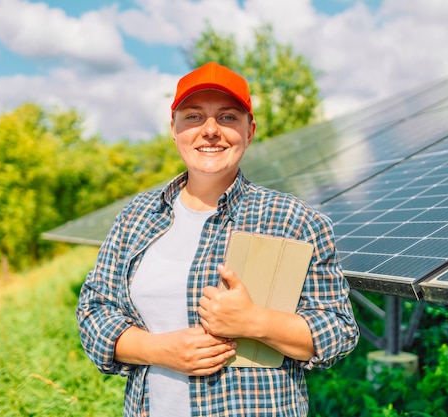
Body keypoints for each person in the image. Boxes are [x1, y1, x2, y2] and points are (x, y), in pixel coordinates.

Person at [76, 61, 359, 416]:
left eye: (227, 117)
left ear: (250, 130)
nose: (210, 130)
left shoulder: (296, 221)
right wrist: (158, 350)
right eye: (194, 117)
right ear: (174, 129)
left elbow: (339, 329)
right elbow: (94, 312)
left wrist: (256, 322)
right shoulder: (136, 218)